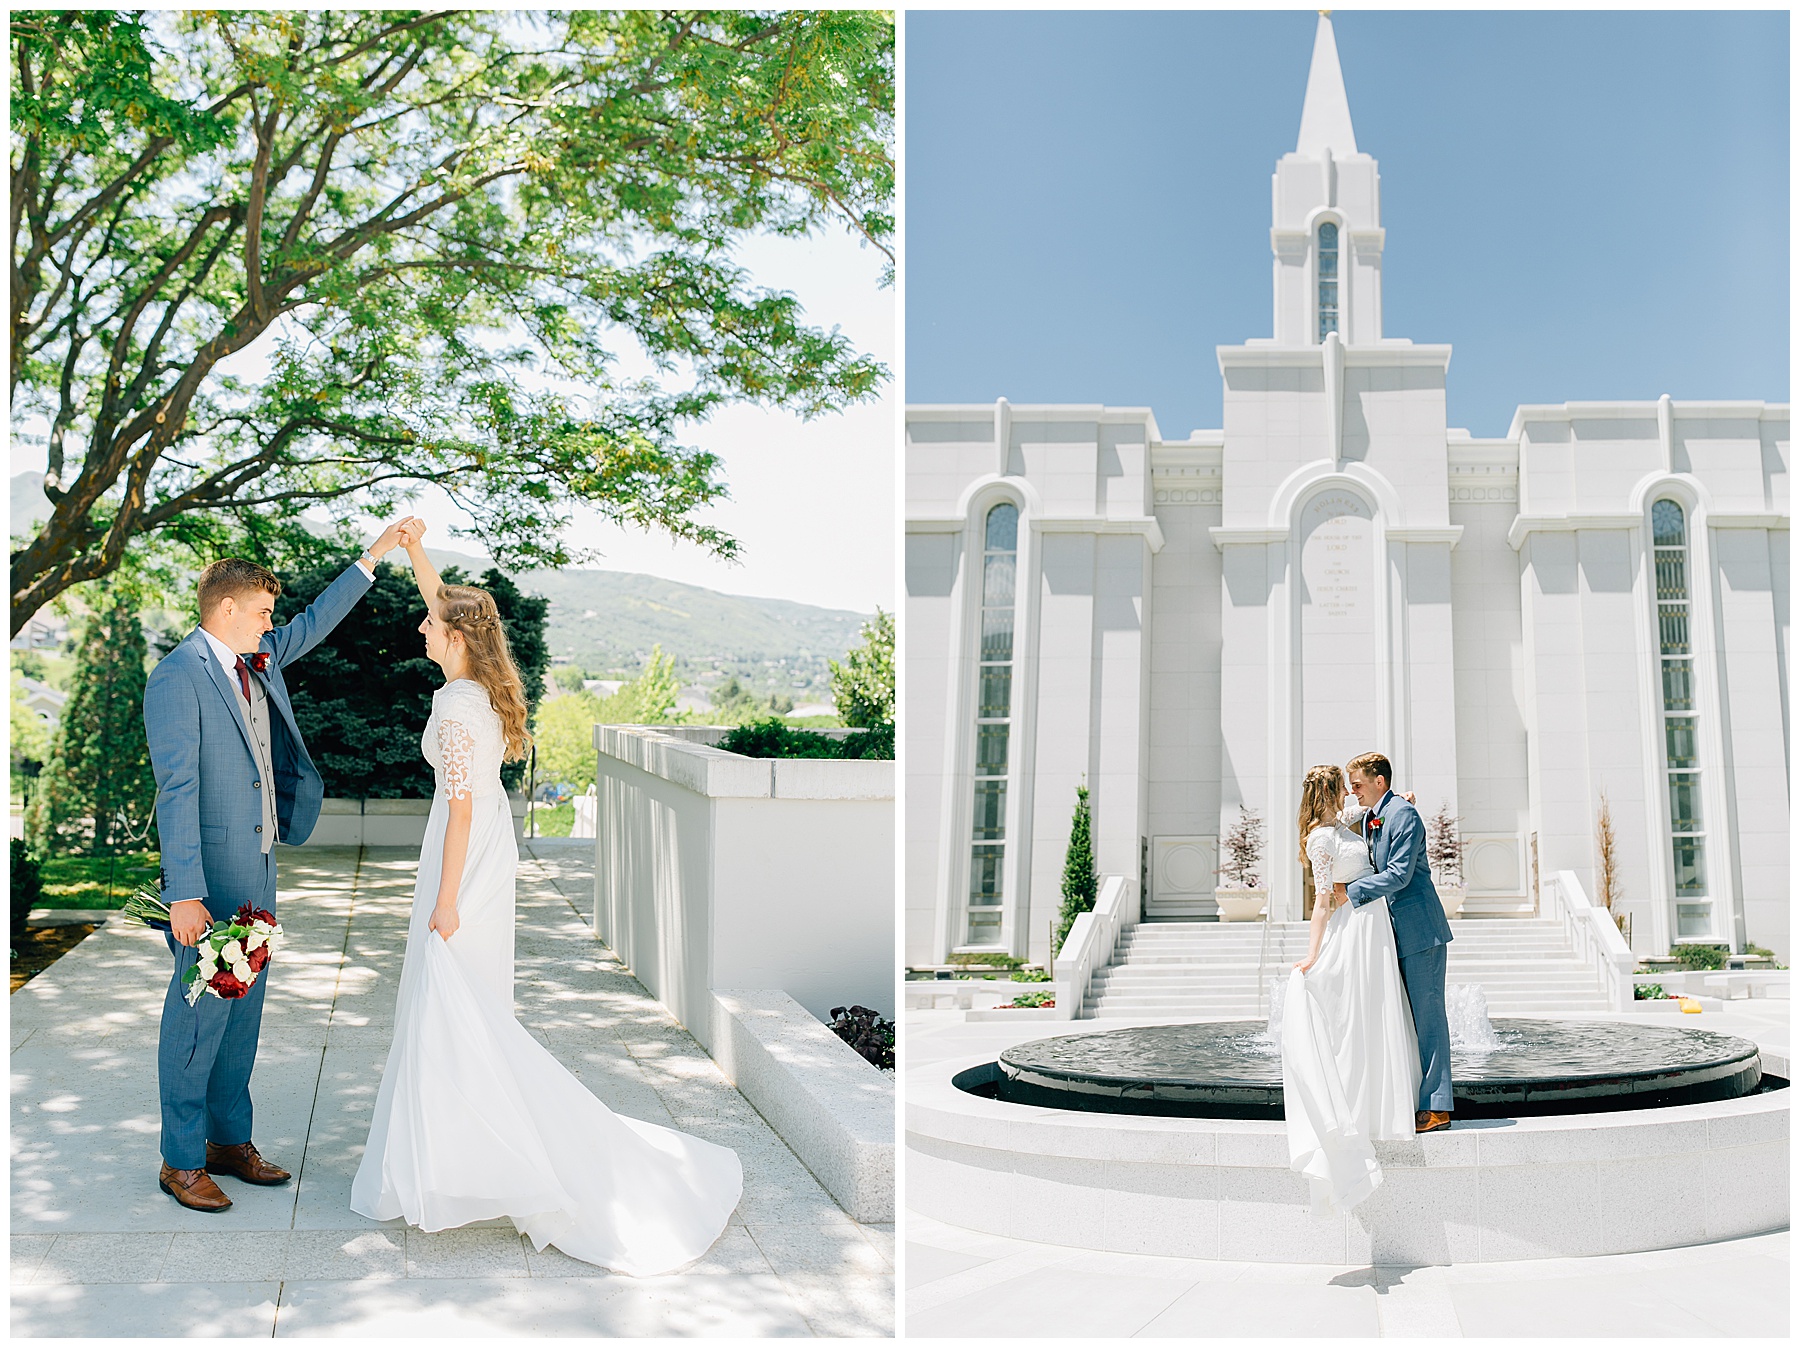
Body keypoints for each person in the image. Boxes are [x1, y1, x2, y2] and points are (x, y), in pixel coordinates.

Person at [350, 519, 742, 1276]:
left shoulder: (454, 707)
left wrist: (447, 898)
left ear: (457, 639)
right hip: (484, 842)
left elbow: (459, 808)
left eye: (430, 623)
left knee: (451, 999)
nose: (421, 625)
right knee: (462, 1005)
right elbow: (448, 602)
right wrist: (413, 552)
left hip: (465, 856)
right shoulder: (473, 684)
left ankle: (483, 1158)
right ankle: (450, 1158)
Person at [144, 521, 416, 1212]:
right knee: (200, 1010)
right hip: (209, 877)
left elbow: (316, 621)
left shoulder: (254, 657)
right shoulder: (179, 677)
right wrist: (184, 893)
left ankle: (228, 1143)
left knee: (244, 1012)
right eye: (263, 612)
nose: (273, 624)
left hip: (260, 863)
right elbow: (175, 791)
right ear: (226, 609)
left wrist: (376, 554)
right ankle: (180, 1159)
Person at [1281, 764, 1422, 1215]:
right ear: (1328, 791)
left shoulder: (1343, 824)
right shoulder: (1319, 840)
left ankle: (1391, 1105)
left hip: (1376, 925)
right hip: (1352, 930)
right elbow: (1321, 901)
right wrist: (1312, 954)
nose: (1349, 791)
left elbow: (1370, 819)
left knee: (1381, 1009)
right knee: (1355, 1017)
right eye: (1342, 786)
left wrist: (1403, 804)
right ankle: (1358, 1109)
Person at [1331, 751, 1456, 1133]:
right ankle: (1406, 1098)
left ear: (1379, 782)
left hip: (1421, 929)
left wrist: (1349, 891)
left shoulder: (1402, 814)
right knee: (1401, 1017)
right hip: (1390, 931)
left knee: (1428, 1018)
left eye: (1358, 785)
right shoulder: (1376, 813)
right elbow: (1332, 819)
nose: (1353, 793)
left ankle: (1437, 1107)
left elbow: (1400, 874)